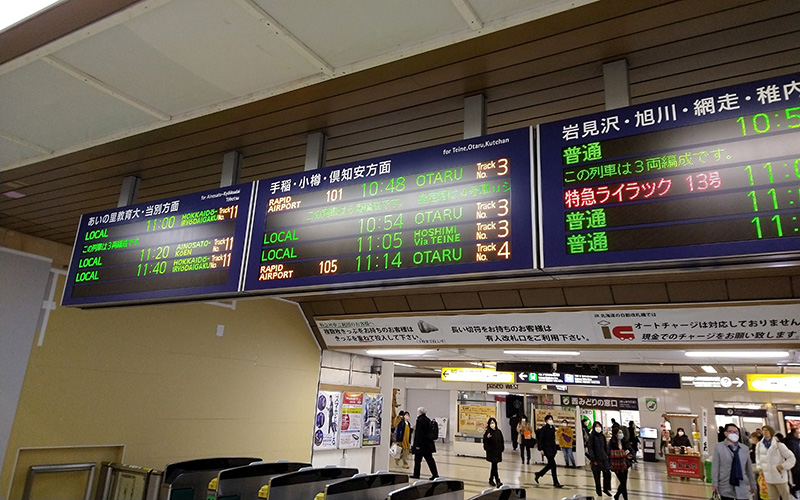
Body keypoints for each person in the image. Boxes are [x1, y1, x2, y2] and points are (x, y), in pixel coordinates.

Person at [712, 423, 757, 500]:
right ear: (725, 433)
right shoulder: (719, 447)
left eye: (736, 432)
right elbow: (715, 467)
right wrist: (715, 484)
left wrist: (753, 484)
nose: (734, 434)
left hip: (742, 484)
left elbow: (748, 469)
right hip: (725, 484)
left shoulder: (744, 448)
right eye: (731, 431)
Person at [755, 425, 796, 500]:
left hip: (780, 476)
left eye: (767, 430)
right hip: (768, 478)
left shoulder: (779, 445)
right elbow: (758, 458)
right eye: (763, 430)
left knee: (786, 496)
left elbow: (791, 458)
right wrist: (760, 468)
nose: (765, 432)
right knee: (772, 497)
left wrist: (783, 466)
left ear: (771, 432)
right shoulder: (759, 445)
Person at [534, 414, 564, 488]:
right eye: (549, 419)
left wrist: (555, 448)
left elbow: (553, 440)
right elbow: (541, 440)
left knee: (551, 465)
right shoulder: (544, 429)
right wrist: (541, 449)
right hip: (546, 449)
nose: (551, 420)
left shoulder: (552, 428)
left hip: (552, 449)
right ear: (546, 421)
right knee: (553, 464)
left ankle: (539, 474)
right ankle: (555, 482)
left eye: (551, 419)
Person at [411, 407, 439, 480]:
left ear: (420, 412)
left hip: (421, 445)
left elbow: (419, 434)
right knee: (430, 460)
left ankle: (416, 474)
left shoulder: (420, 420)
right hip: (428, 445)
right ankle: (435, 474)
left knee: (417, 460)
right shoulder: (427, 419)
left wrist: (417, 445)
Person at [587, 421, 612, 497]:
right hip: (596, 459)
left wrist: (607, 455)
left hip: (604, 458)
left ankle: (606, 488)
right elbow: (590, 447)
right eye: (596, 426)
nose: (598, 428)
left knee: (607, 473)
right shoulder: (592, 436)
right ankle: (599, 491)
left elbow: (605, 446)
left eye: (599, 426)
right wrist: (592, 457)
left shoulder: (602, 436)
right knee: (597, 477)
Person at [608, 428, 632, 500]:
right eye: (619, 433)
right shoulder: (611, 443)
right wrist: (622, 454)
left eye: (621, 432)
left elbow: (630, 450)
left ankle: (617, 495)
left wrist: (630, 456)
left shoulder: (624, 441)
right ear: (615, 434)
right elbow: (610, 453)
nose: (621, 434)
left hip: (624, 464)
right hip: (616, 465)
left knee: (624, 482)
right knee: (623, 482)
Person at [483, 417, 505, 487]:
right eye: (491, 423)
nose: (492, 424)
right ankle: (497, 480)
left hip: (498, 452)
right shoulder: (488, 432)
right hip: (491, 452)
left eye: (493, 423)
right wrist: (487, 438)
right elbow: (485, 442)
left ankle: (491, 479)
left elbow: (501, 440)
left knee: (494, 466)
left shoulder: (498, 431)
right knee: (494, 466)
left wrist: (501, 449)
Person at [783, 426, 800, 498]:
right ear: (794, 433)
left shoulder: (794, 441)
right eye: (798, 433)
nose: (799, 434)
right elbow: (794, 455)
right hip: (795, 465)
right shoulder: (792, 442)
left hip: (795, 464)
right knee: (795, 481)